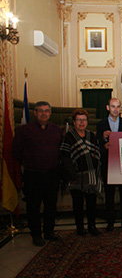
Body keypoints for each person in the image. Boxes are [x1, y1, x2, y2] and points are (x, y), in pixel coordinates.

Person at [12, 101, 63, 247]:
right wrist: (29, 162)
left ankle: (49, 232)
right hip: (33, 175)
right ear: (35, 113)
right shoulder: (24, 130)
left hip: (52, 174)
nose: (44, 113)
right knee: (33, 206)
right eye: (40, 111)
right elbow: (16, 151)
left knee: (51, 205)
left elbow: (60, 150)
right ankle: (36, 234)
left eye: (47, 111)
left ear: (50, 113)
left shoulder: (56, 129)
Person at [60, 109, 102, 236]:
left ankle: (92, 226)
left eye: (84, 120)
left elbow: (97, 153)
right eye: (79, 120)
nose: (81, 122)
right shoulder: (68, 136)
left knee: (91, 204)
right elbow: (64, 156)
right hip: (76, 177)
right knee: (78, 204)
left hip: (92, 176)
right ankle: (80, 228)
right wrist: (71, 172)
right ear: (74, 122)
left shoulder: (92, 135)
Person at [97, 98, 122, 232]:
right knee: (109, 193)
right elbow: (96, 144)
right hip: (107, 163)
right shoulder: (101, 124)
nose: (115, 109)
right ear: (108, 107)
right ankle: (110, 221)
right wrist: (103, 142)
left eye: (118, 106)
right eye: (113, 106)